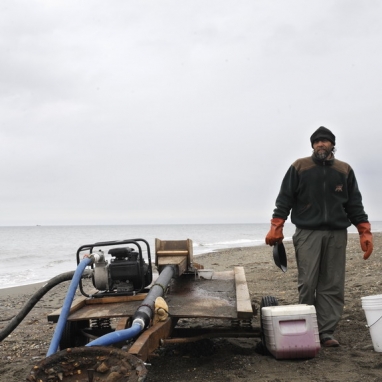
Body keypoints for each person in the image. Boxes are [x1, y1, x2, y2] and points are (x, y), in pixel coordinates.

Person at [265, 126, 373, 348]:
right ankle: (307, 326)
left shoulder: (344, 170)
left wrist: (364, 230)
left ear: (333, 144)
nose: (320, 144)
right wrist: (277, 224)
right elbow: (285, 197)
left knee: (332, 283)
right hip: (307, 233)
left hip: (337, 234)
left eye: (325, 141)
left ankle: (326, 331)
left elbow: (354, 203)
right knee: (308, 281)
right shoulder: (300, 167)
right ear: (312, 145)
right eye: (317, 142)